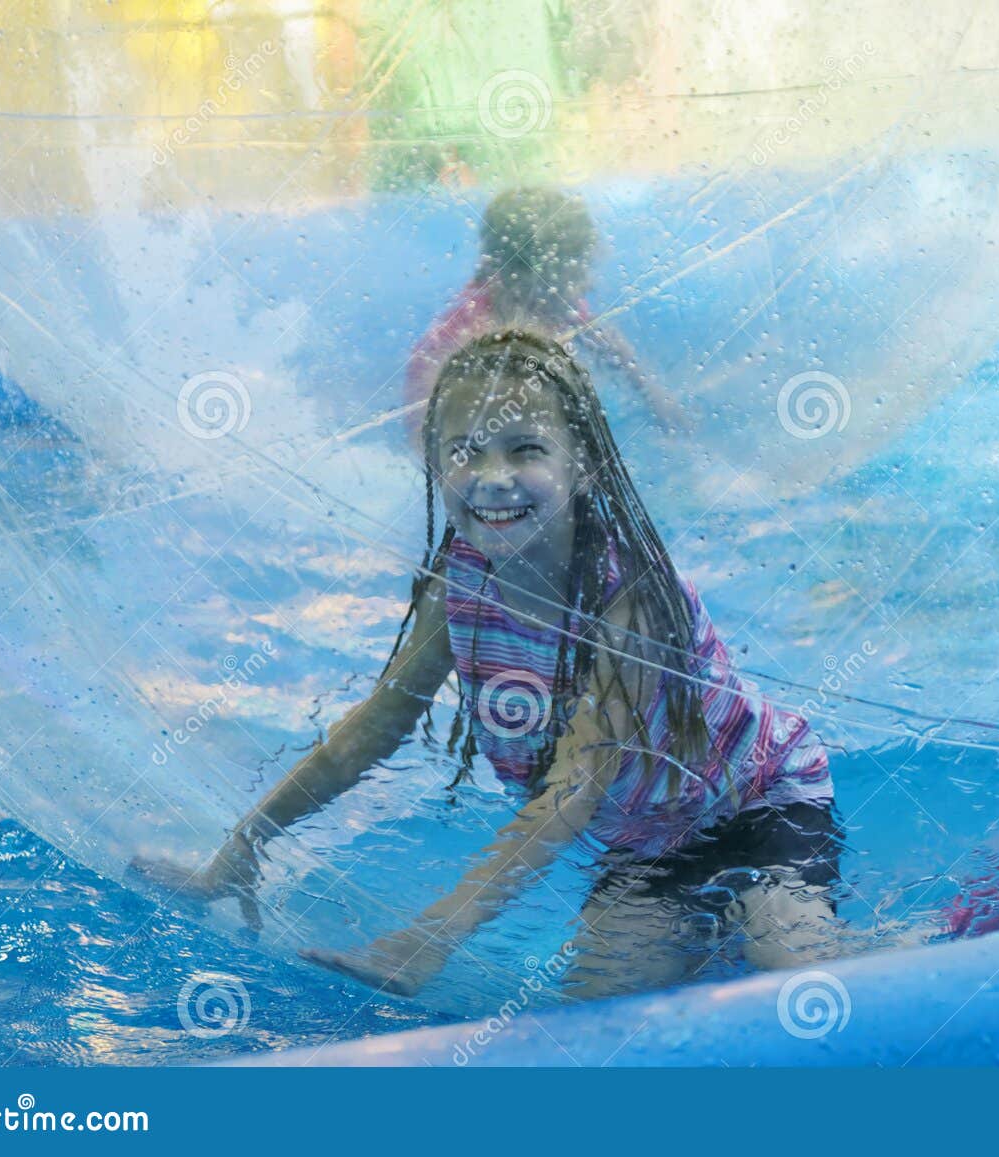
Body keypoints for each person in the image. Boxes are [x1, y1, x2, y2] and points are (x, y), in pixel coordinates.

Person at [140, 329, 840, 1000]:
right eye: (464, 452)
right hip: (648, 844)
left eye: (525, 449)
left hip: (759, 804)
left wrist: (429, 936)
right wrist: (244, 844)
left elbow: (576, 789)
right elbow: (372, 730)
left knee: (790, 968)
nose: (492, 478)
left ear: (583, 465)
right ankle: (710, 924)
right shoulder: (460, 583)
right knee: (600, 1010)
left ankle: (879, 939)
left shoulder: (629, 597)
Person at [395, 187, 690, 447]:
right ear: (523, 280)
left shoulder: (550, 301)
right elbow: (429, 428)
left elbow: (609, 345)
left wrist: (656, 398)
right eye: (576, 274)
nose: (588, 284)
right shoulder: (475, 335)